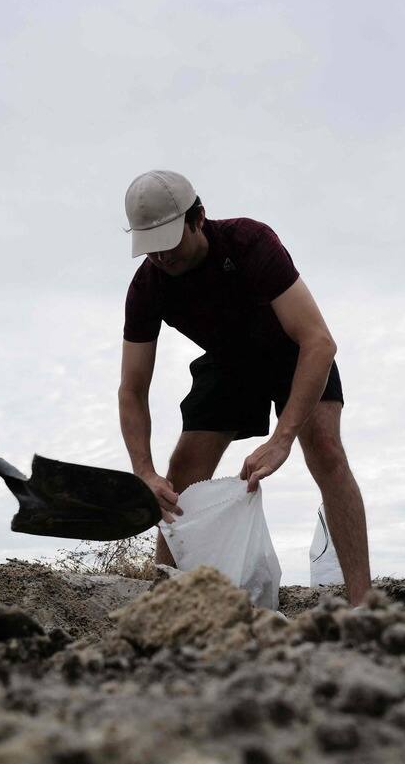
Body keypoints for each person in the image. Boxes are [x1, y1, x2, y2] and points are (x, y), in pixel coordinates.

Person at [117, 170, 371, 604]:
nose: (161, 257)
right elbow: (132, 388)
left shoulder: (249, 243)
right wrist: (144, 471)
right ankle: (163, 600)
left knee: (326, 450)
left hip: (293, 351)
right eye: (150, 247)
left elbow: (319, 341)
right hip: (229, 361)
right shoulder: (148, 285)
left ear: (198, 218)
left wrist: (282, 438)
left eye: (169, 242)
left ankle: (365, 603)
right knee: (181, 473)